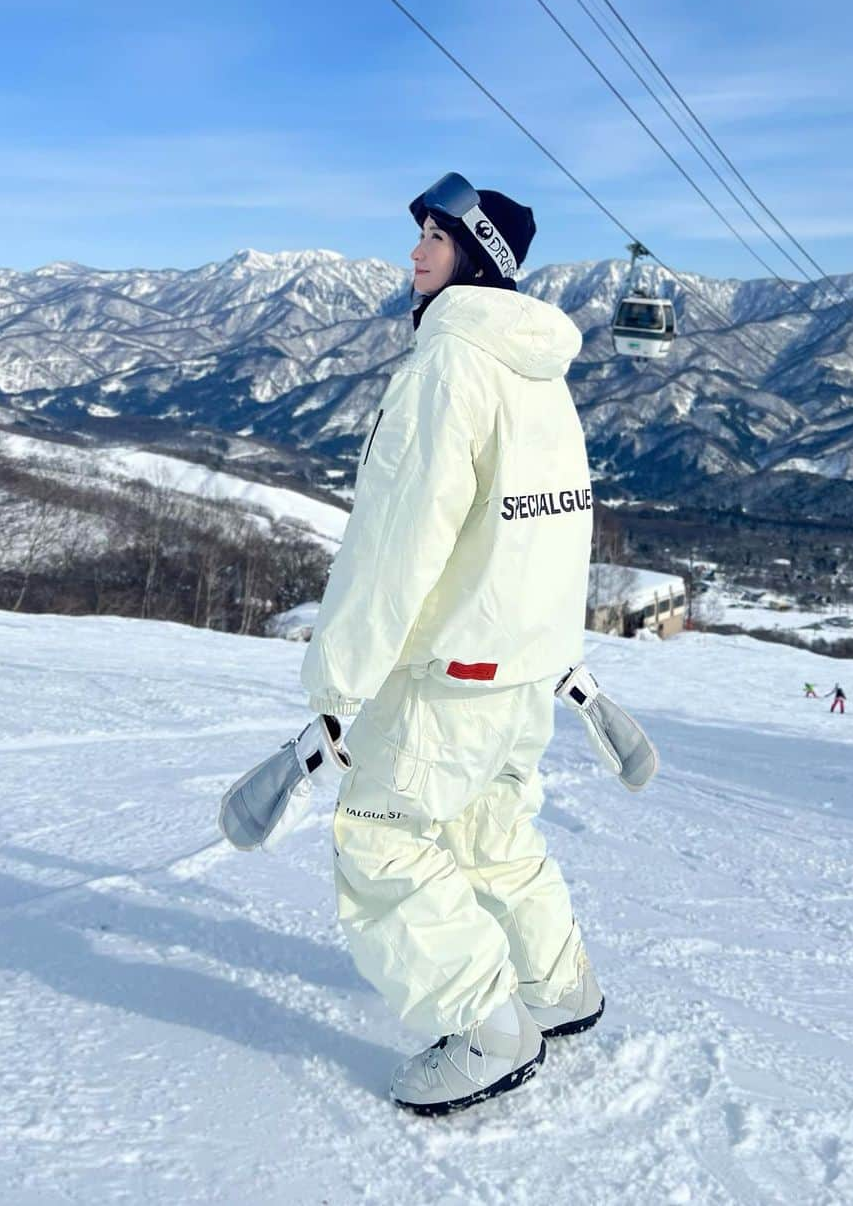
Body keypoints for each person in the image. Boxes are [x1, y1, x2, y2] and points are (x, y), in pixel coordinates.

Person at [299, 172, 600, 1115]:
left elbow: (397, 543)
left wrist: (337, 679)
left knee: (380, 837)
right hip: (522, 664)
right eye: (421, 231)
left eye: (435, 235)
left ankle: (484, 1027)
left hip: (452, 665)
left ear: (476, 257)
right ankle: (558, 989)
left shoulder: (445, 369)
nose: (415, 250)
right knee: (489, 828)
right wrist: (556, 651)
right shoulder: (539, 371)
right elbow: (562, 526)